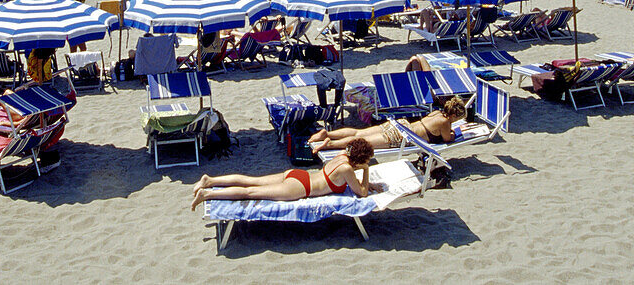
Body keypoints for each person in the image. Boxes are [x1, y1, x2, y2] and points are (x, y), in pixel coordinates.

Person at [191, 137, 377, 210]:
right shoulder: (346, 169)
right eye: (365, 160)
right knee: (250, 193)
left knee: (251, 181)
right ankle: (208, 193)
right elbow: (361, 192)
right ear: (360, 159)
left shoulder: (342, 156)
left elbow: (354, 181)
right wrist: (367, 171)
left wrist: (363, 175)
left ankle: (209, 180)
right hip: (300, 188)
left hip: (298, 175)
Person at [309, 97, 467, 152]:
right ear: (453, 115)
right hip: (401, 136)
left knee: (359, 133)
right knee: (361, 142)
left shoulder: (437, 113)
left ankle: (328, 133)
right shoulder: (445, 121)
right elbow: (447, 138)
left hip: (401, 124)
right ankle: (329, 144)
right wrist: (454, 133)